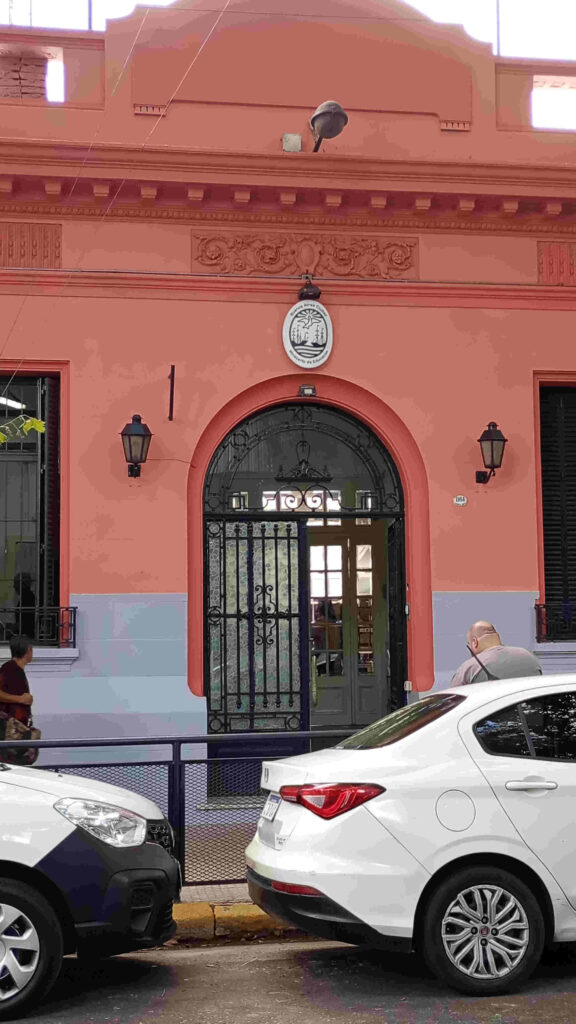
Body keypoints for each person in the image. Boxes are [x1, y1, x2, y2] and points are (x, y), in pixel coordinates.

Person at [451, 620, 542, 686]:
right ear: (497, 637)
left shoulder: (469, 668)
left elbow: (454, 702)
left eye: (469, 645)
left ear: (474, 642)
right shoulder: (529, 656)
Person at [0, 635, 34, 724]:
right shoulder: (9, 668)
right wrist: (20, 699)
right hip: (10, 726)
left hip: (18, 725)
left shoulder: (17, 669)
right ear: (29, 650)